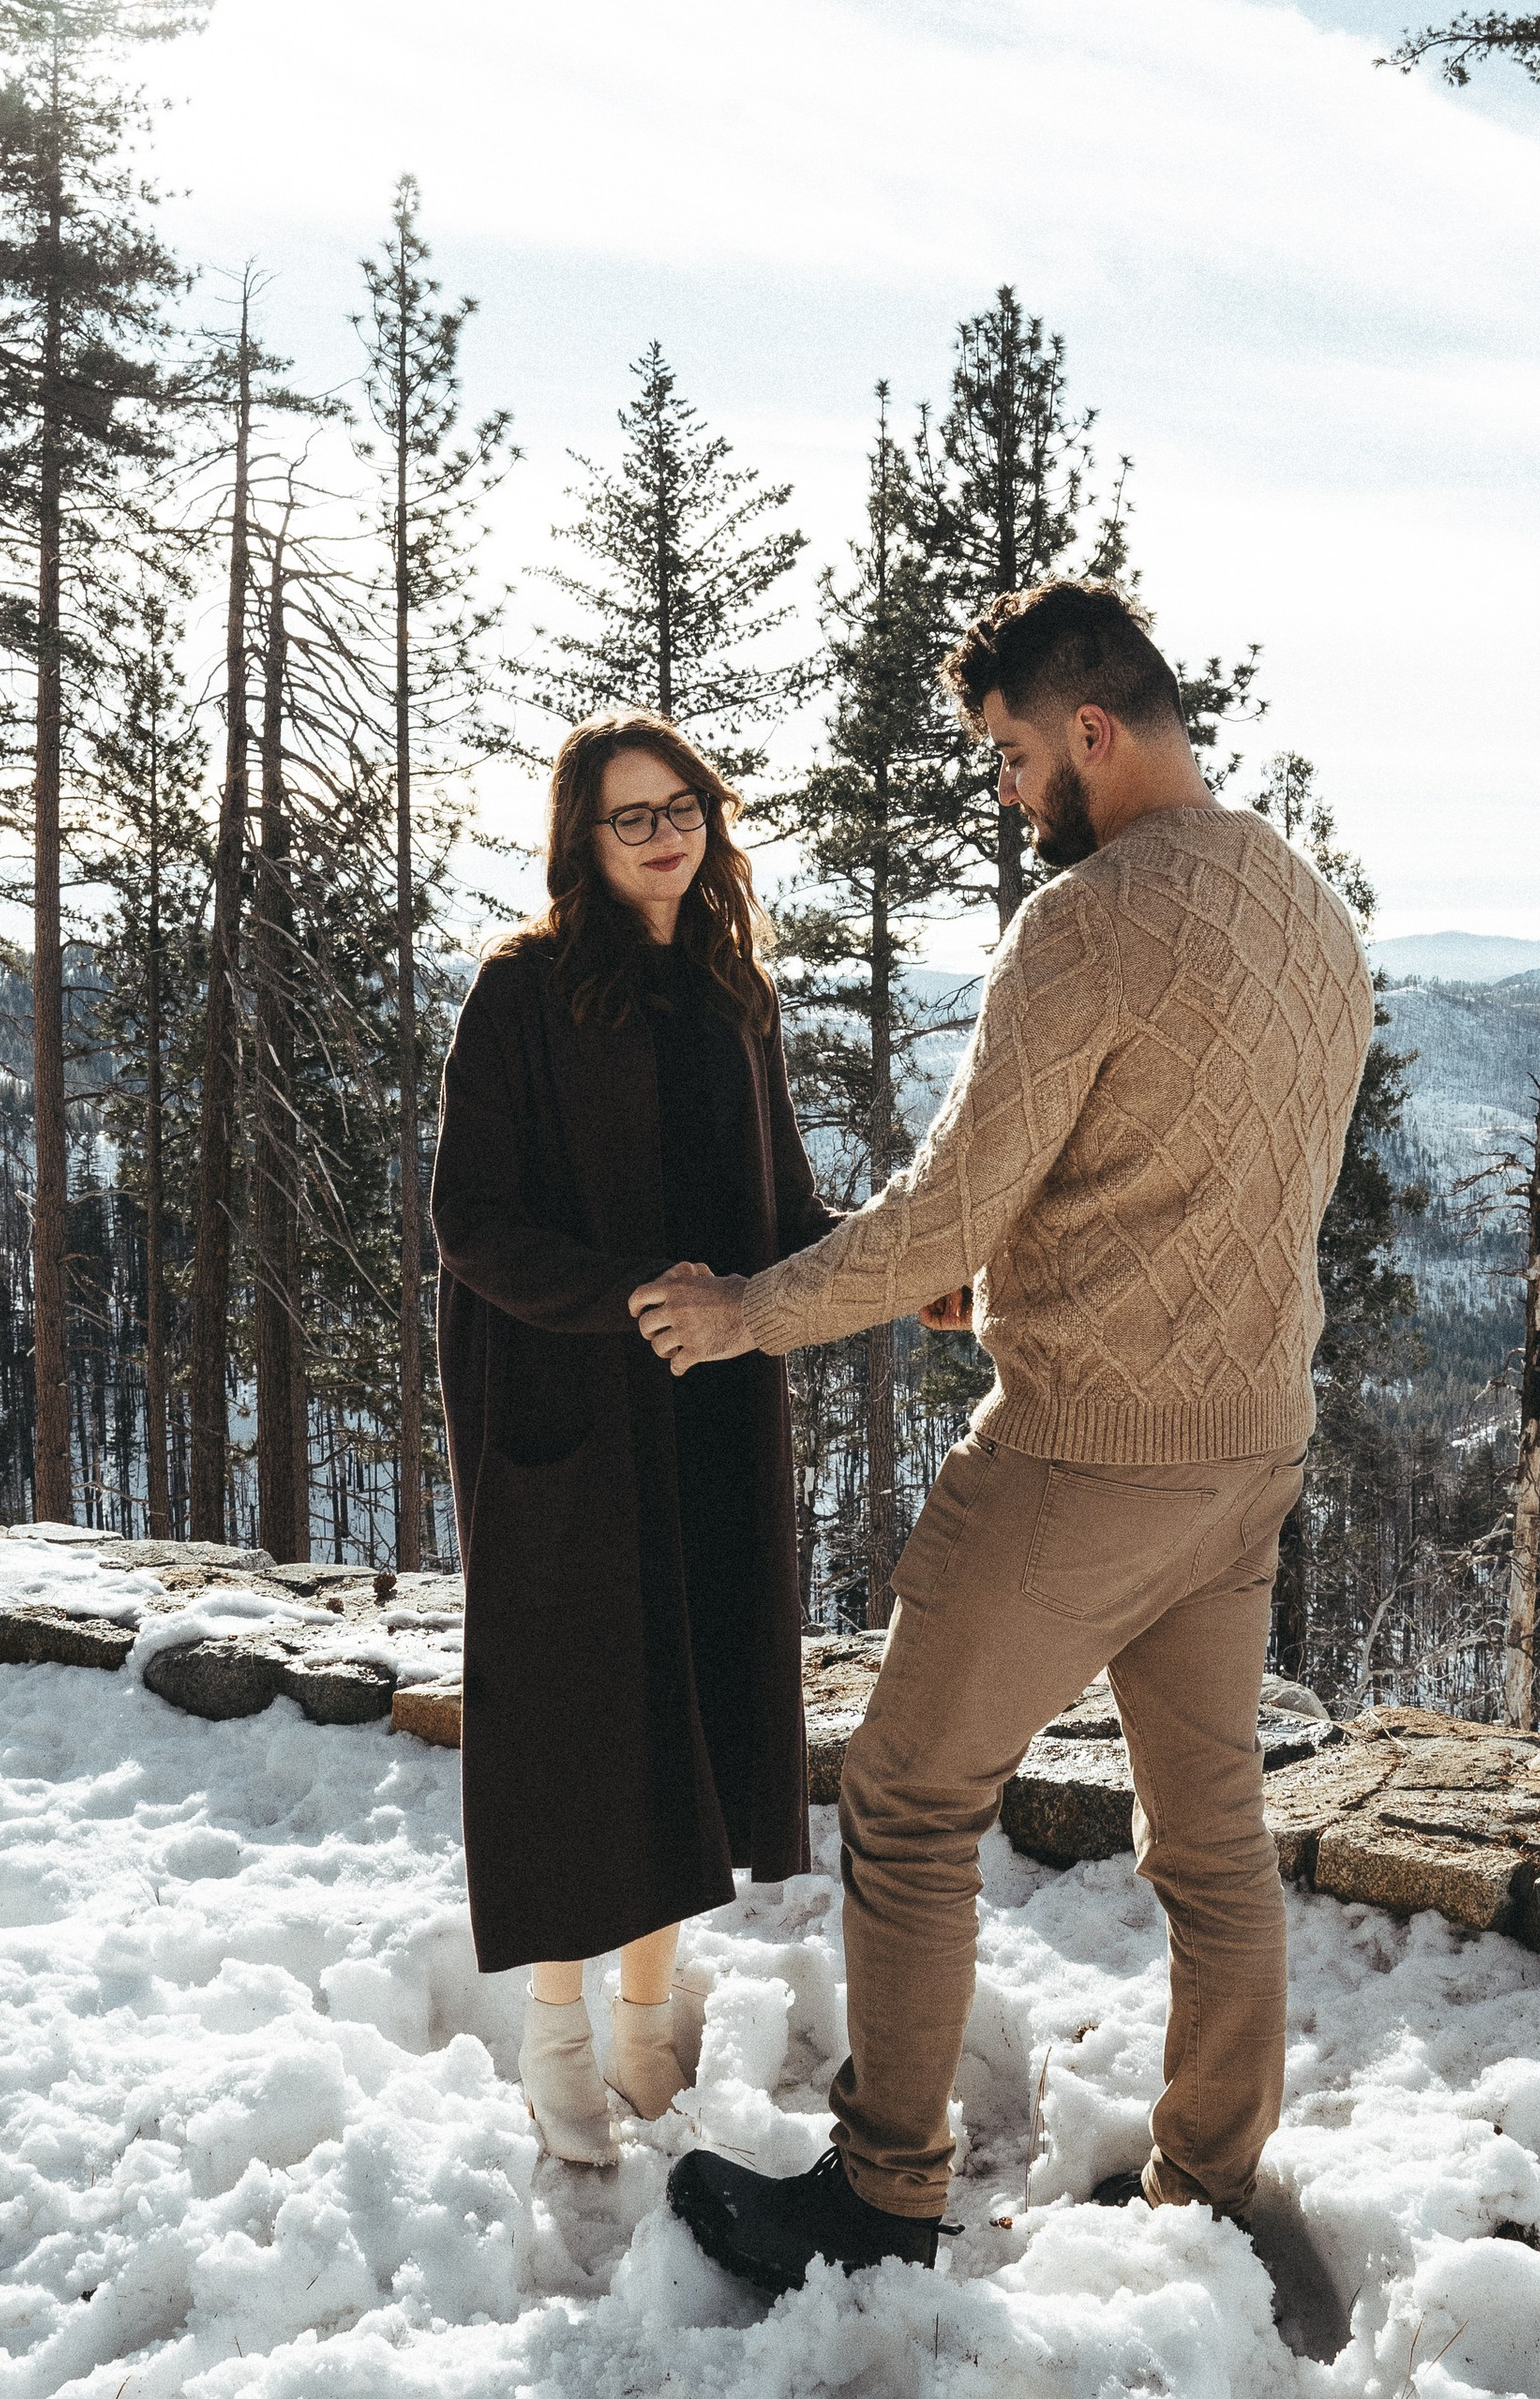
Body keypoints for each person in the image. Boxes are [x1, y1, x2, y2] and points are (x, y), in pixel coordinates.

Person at [629, 580, 1372, 2294]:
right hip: (1249, 1443)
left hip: (1087, 1457)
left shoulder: (1090, 920)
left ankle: (885, 2195)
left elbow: (949, 1195)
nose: (1009, 792)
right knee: (1208, 1835)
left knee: (903, 1796)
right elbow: (1211, 1179)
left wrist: (751, 1311)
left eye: (1015, 757)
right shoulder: (1308, 906)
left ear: (1092, 733)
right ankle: (1210, 2181)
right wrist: (1015, 1272)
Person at [431, 710, 835, 2164]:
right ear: (581, 839)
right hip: (563, 1403)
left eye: (683, 807)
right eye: (631, 816)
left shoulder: (733, 994)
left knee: (691, 1706)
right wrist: (628, 1298)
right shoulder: (523, 992)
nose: (666, 834)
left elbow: (783, 1212)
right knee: (580, 1719)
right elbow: (467, 1223)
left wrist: (912, 1277)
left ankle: (650, 2021)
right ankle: (555, 2038)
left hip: (711, 1400)